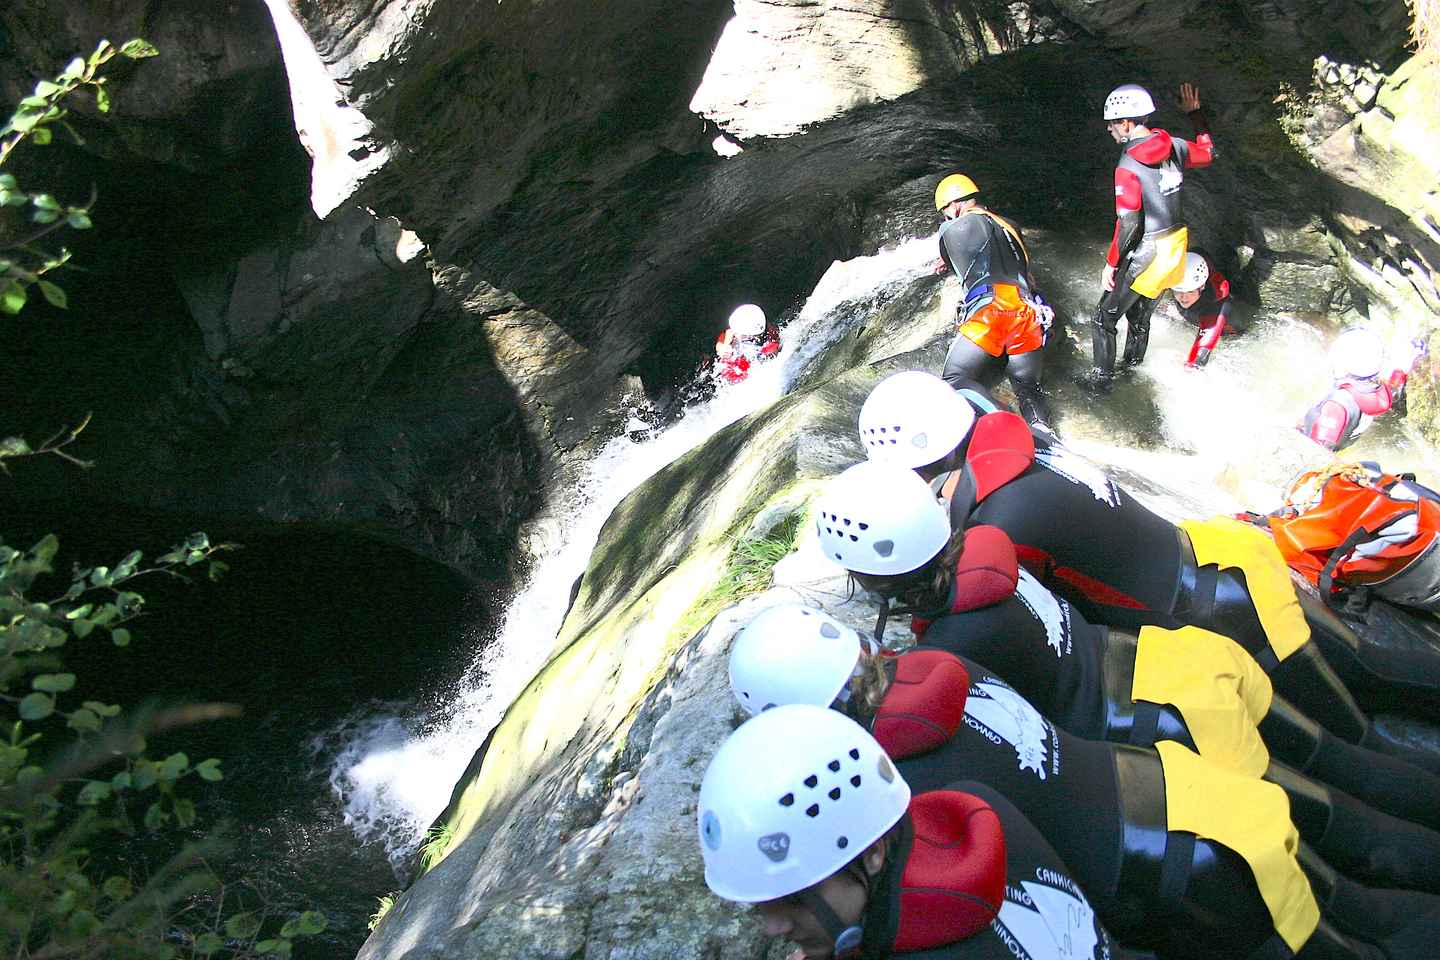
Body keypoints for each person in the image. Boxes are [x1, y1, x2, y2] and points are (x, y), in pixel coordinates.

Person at [810, 465, 1440, 893]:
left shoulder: (955, 643)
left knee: (1339, 824)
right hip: (1185, 656)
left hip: (1173, 725)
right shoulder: (988, 545)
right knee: (1347, 768)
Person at [727, 603, 1440, 958]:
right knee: (1368, 877)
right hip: (1175, 778)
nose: (775, 924)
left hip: (1193, 865)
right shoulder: (944, 671)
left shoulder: (911, 781)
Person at [856, 370, 1440, 746]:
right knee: (1368, 669)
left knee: (1355, 737)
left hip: (1223, 618)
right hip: (1223, 560)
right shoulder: (1010, 435)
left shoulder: (998, 524)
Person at [697, 703, 1135, 959]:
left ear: (872, 853)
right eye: (759, 905)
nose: (773, 927)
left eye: (795, 898)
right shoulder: (970, 812)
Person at [1090, 82, 1215, 386]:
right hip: (1175, 246)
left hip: (1149, 252)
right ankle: (1131, 372)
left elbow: (1129, 223)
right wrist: (1195, 115)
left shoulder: (1127, 165)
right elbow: (1209, 153)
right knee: (1140, 318)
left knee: (1103, 318)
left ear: (1126, 122)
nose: (1110, 130)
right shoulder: (1173, 144)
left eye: (1112, 124)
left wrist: (1112, 263)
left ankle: (1101, 383)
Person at [931, 174, 1056, 432]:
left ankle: (1007, 424)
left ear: (954, 206)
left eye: (945, 211)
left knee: (954, 380)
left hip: (989, 312)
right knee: (1027, 387)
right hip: (1027, 312)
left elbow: (949, 259)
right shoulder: (1011, 226)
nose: (946, 217)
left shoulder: (949, 229)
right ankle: (1044, 432)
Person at [1300, 327, 1427, 452]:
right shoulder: (1381, 393)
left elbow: (1316, 452)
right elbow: (1394, 386)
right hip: (1346, 441)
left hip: (1313, 445)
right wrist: (1406, 364)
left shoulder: (1337, 405)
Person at [1168, 250, 1234, 368]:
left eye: (1190, 292)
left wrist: (1191, 364)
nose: (1183, 297)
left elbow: (1201, 352)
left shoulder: (1214, 303)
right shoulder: (1176, 276)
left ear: (1201, 287)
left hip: (1231, 327)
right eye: (1178, 291)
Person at [713, 303, 781, 385]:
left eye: (738, 332)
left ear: (749, 335)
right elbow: (727, 334)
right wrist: (723, 347)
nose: (734, 332)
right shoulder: (751, 327)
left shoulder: (770, 345)